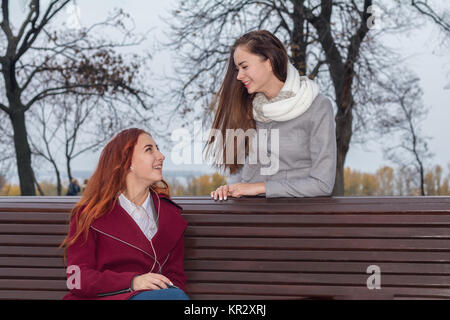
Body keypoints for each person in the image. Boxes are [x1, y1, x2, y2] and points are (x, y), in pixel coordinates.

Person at [61, 128, 189, 300]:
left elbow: (176, 279)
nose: (161, 156)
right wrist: (132, 282)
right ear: (128, 161)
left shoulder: (171, 216)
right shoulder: (89, 215)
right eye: (149, 149)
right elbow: (76, 279)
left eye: (157, 148)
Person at [208, 30, 336, 200]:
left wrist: (260, 188)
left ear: (268, 62)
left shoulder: (317, 107)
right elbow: (243, 173)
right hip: (250, 214)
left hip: (295, 218)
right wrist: (231, 189)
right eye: (237, 69)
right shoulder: (248, 108)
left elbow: (322, 184)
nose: (239, 76)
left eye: (244, 67)